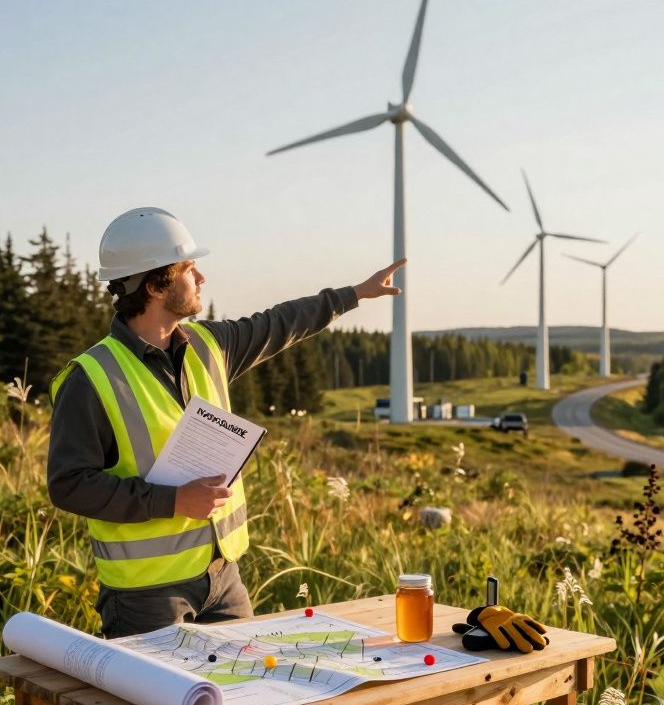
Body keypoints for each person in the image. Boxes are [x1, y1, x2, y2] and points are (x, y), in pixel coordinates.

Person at [47, 207, 404, 637]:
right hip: (146, 597)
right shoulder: (91, 377)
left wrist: (353, 294)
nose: (201, 279)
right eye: (190, 269)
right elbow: (68, 484)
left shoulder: (209, 345)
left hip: (224, 577)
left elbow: (278, 323)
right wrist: (172, 501)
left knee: (243, 699)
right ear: (157, 284)